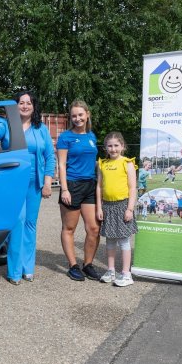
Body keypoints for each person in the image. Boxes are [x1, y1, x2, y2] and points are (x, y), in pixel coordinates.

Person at [0, 91, 56, 285]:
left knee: (31, 224)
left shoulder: (41, 129)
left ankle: (27, 269)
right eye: (21, 102)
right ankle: (14, 272)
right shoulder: (6, 125)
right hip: (12, 182)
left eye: (28, 103)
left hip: (35, 182)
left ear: (33, 106)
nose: (25, 106)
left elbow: (50, 156)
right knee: (17, 222)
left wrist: (48, 182)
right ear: (16, 106)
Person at [57, 100, 101, 281]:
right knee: (69, 228)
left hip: (90, 185)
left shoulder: (92, 136)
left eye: (80, 115)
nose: (77, 118)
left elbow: (93, 162)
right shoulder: (65, 137)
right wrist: (64, 189)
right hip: (72, 185)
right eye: (74, 115)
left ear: (87, 114)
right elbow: (61, 164)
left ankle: (88, 264)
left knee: (93, 228)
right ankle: (73, 265)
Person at [96, 132, 138, 287]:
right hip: (107, 206)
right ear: (105, 148)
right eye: (110, 146)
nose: (113, 149)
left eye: (116, 145)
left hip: (123, 206)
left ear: (122, 146)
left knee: (124, 241)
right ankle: (111, 270)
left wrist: (130, 209)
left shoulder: (127, 163)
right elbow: (99, 187)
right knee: (110, 240)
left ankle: (126, 273)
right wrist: (99, 207)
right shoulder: (102, 164)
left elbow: (133, 188)